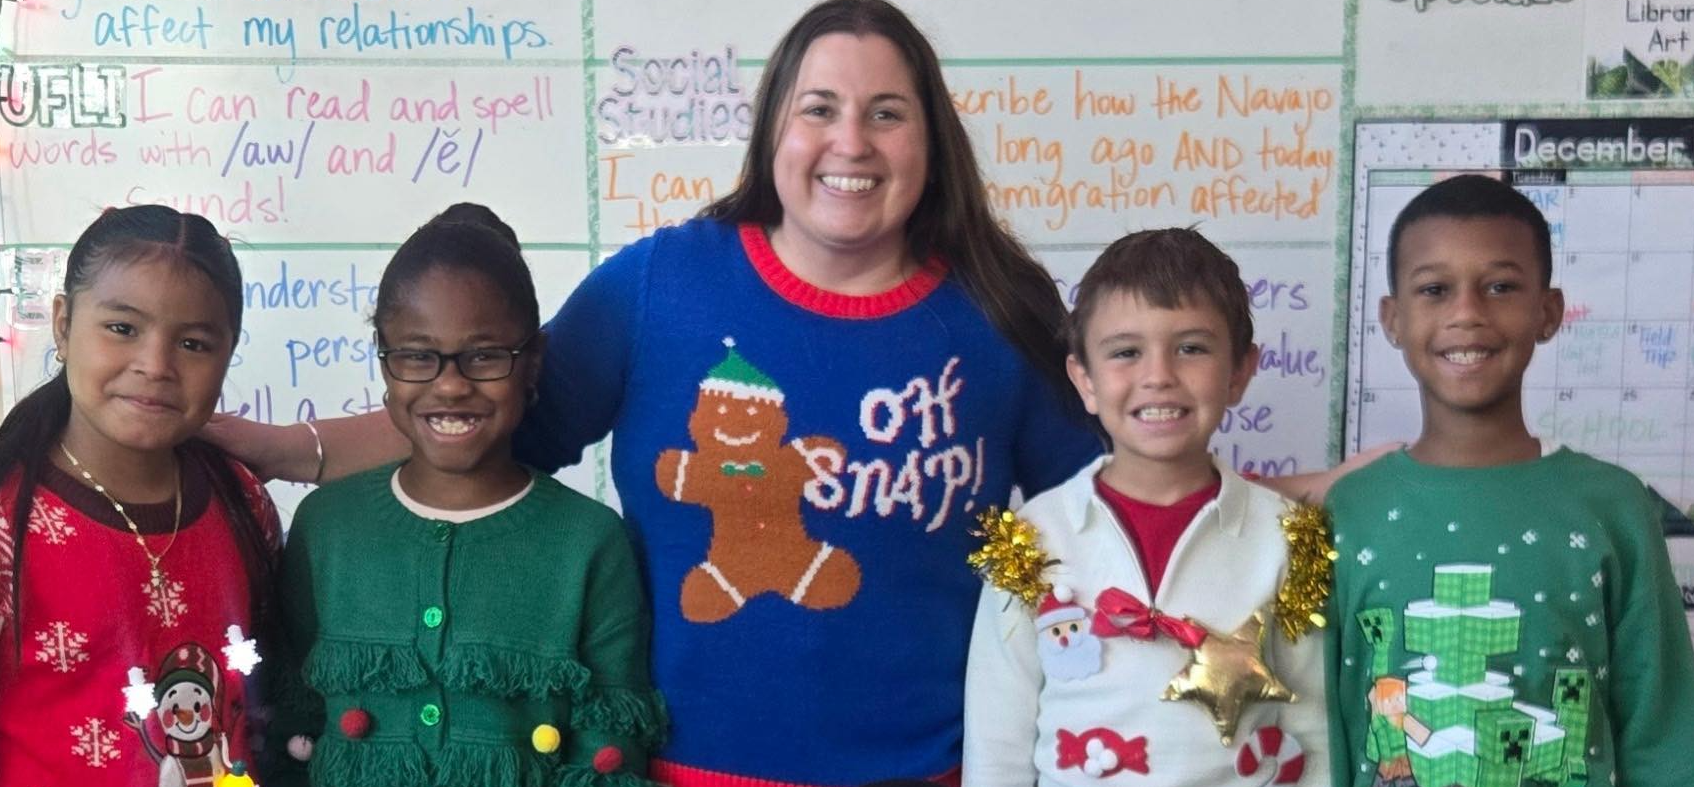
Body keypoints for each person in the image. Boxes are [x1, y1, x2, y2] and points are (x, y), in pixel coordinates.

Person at [206, 3, 1357, 782]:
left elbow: (1126, 499)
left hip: (935, 766)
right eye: (819, 107)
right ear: (774, 129)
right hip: (690, 762)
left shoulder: (1000, 310)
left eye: (885, 111)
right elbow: (466, 423)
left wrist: (1327, 492)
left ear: (928, 140)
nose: (847, 141)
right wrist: (263, 445)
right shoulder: (663, 284)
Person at [263, 206, 661, 787]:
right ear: (385, 361)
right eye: (418, 355)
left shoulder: (590, 542)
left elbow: (610, 747)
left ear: (533, 363)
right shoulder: (325, 526)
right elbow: (290, 723)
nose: (450, 384)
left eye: (484, 355)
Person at [0, 206, 281, 786]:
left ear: (229, 353)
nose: (155, 366)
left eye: (194, 343)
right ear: (64, 325)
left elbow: (258, 714)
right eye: (122, 329)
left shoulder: (240, 501)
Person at [1324, 174, 1694, 787]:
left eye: (1499, 287)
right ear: (1392, 318)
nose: (1466, 313)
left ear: (1547, 312)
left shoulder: (1613, 506)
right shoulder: (1350, 510)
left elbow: (1662, 731)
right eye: (1435, 289)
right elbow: (1328, 727)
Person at [962, 229, 1330, 786]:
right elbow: (997, 744)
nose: (1158, 376)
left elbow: (1315, 727)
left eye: (1191, 348)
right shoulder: (1031, 540)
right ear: (1083, 379)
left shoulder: (1286, 537)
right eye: (1126, 352)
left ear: (1239, 372)